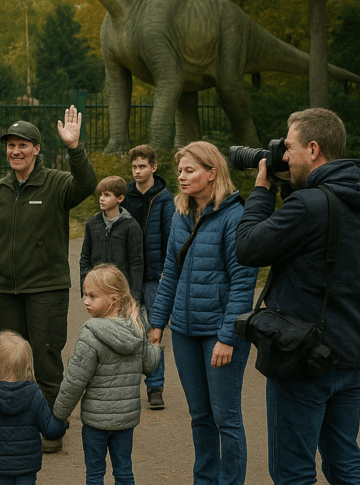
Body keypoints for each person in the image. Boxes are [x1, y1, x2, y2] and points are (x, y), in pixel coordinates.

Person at [235, 108, 360, 484]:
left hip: (306, 356)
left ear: (313, 149)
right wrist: (291, 183)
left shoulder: (308, 205)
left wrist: (263, 190)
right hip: (351, 350)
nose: (283, 155)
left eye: (290, 147)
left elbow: (248, 247)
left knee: (292, 471)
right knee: (344, 463)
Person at [0, 115, 96, 452]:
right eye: (11, 146)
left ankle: (52, 427)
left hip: (46, 288)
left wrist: (75, 148)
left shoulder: (57, 183)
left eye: (22, 145)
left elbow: (87, 184)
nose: (15, 151)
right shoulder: (0, 189)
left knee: (45, 359)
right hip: (8, 290)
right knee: (12, 360)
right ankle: (18, 422)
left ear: (36, 149)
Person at [148, 141, 257, 485]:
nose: (180, 176)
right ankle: (205, 480)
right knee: (200, 417)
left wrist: (227, 337)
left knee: (226, 418)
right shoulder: (180, 213)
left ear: (212, 173)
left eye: (189, 170)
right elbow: (171, 272)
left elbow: (243, 282)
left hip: (219, 335)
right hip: (184, 331)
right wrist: (157, 323)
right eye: (180, 170)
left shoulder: (234, 215)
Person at [53, 265, 161, 485]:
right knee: (124, 471)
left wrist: (59, 414)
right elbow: (150, 364)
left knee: (94, 474)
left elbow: (75, 381)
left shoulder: (90, 335)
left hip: (96, 422)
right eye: (85, 294)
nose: (85, 301)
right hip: (125, 421)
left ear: (113, 300)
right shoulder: (136, 327)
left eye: (92, 296)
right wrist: (154, 347)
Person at [0, 331, 68, 485]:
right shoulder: (34, 393)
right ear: (28, 364)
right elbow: (49, 428)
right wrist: (63, 422)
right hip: (27, 465)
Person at [122, 144, 174, 410]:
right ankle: (125, 387)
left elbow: (171, 238)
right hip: (128, 276)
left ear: (153, 167)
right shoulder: (126, 196)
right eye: (134, 167)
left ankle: (155, 387)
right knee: (126, 332)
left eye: (142, 166)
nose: (138, 171)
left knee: (154, 332)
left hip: (155, 276)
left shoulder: (165, 199)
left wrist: (167, 269)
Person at [79, 176, 143, 304]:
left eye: (107, 195)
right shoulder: (92, 223)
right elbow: (85, 256)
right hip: (96, 287)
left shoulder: (131, 225)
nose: (102, 199)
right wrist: (85, 284)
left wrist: (134, 296)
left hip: (119, 290)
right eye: (101, 195)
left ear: (120, 198)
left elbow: (136, 263)